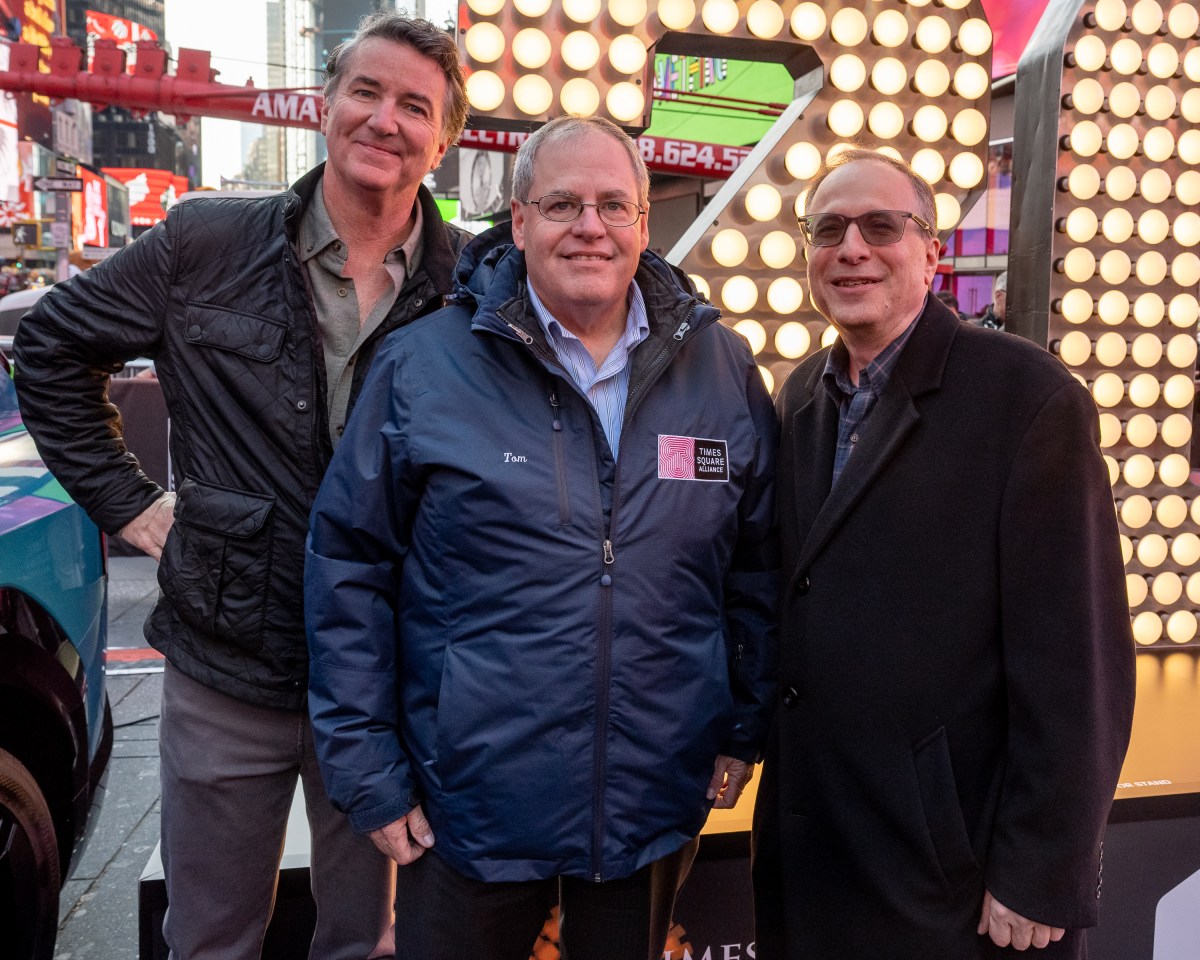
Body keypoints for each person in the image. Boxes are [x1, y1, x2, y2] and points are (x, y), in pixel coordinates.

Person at [13, 14, 471, 960]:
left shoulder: (472, 284)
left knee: (369, 941)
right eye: (367, 93)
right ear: (327, 106)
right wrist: (130, 504)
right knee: (211, 937)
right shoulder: (206, 242)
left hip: (392, 673)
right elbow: (53, 346)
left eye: (414, 106)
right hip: (229, 664)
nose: (385, 120)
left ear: (446, 136)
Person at [306, 115, 778, 960]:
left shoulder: (722, 369)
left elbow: (753, 566)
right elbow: (348, 569)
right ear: (518, 223)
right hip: (467, 804)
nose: (589, 227)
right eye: (562, 204)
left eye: (613, 205)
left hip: (652, 796)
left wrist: (742, 726)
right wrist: (368, 773)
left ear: (643, 224)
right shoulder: (423, 367)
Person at [752, 149, 1135, 960]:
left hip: (951, 883)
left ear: (932, 252)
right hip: (822, 855)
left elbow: (1080, 663)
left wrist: (1042, 868)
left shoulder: (1027, 399)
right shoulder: (800, 397)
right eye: (828, 229)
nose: (851, 247)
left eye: (881, 226)